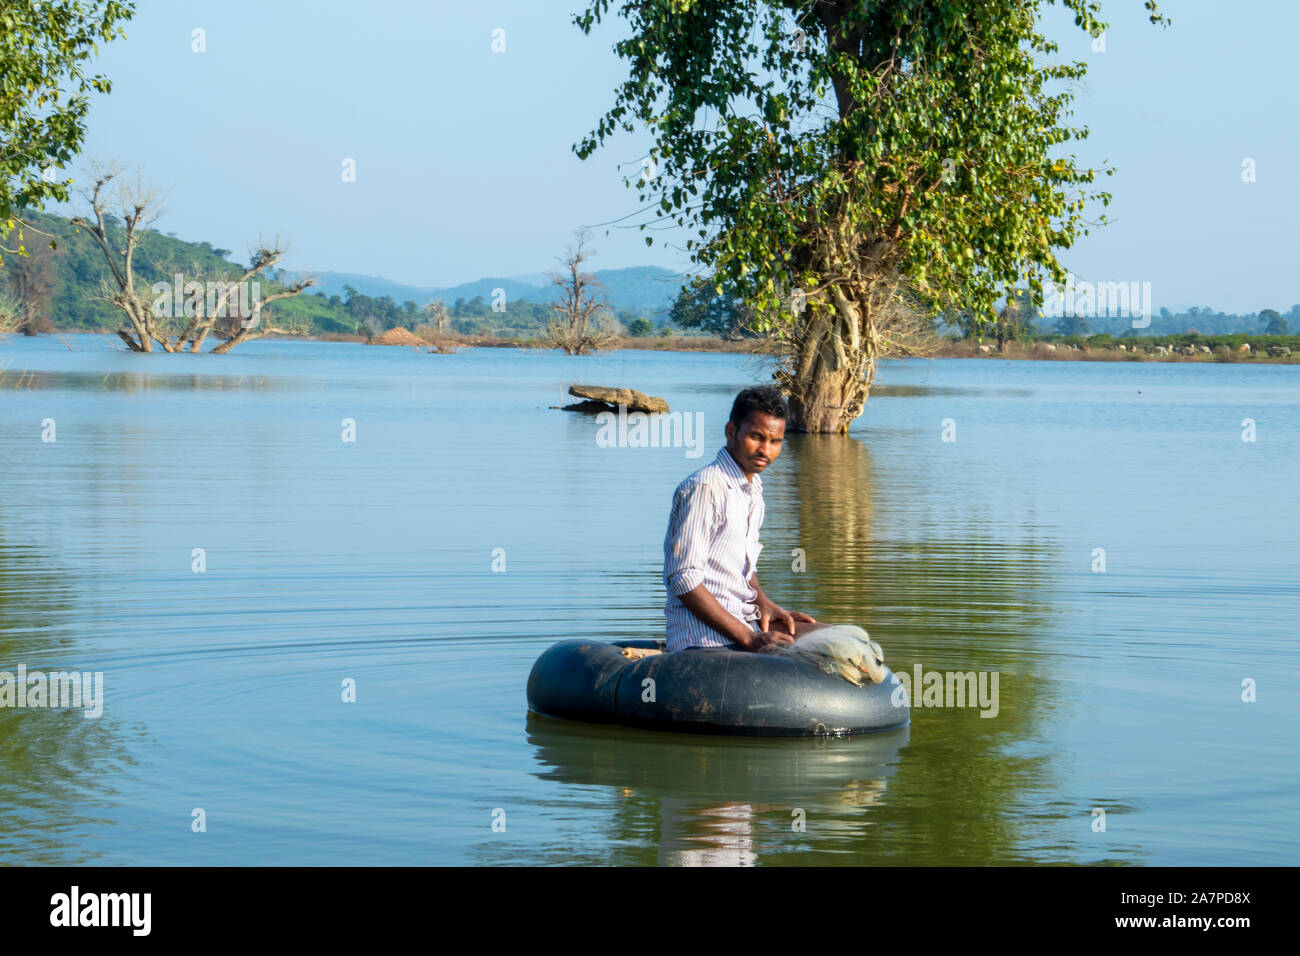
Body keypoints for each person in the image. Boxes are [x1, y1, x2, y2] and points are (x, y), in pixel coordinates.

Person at [662, 385, 825, 652]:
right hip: (703, 641)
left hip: (746, 623)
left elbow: (743, 569)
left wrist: (764, 604)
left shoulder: (752, 490)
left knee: (845, 641)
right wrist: (749, 638)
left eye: (775, 441)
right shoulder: (706, 487)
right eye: (756, 437)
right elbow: (683, 578)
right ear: (730, 432)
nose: (765, 450)